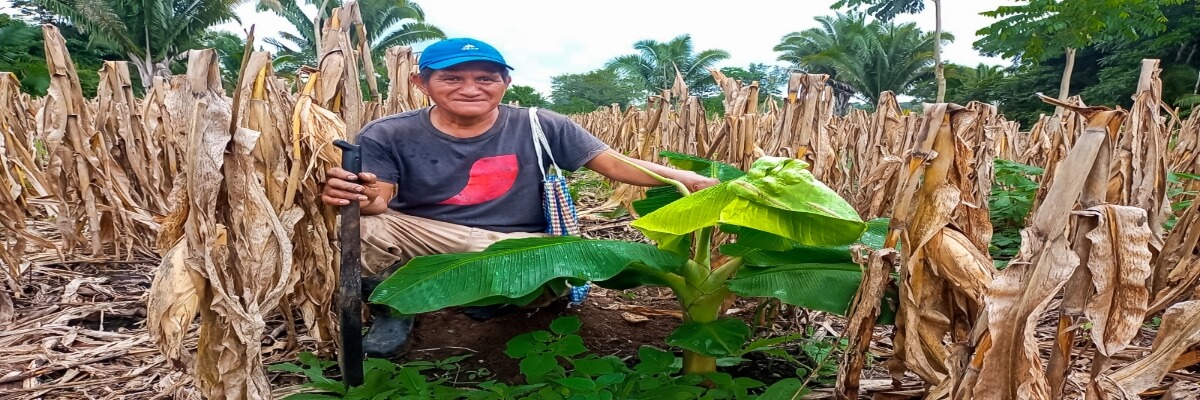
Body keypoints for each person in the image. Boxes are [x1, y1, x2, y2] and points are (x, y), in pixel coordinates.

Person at [319, 37, 719, 358]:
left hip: (519, 243)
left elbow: (614, 164)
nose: (470, 89)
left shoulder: (540, 124)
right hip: (429, 236)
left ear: (506, 82)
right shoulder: (388, 132)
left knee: (552, 275)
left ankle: (499, 298)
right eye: (452, 78)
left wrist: (687, 178)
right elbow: (379, 200)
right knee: (363, 226)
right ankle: (392, 308)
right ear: (421, 83)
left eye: (486, 78)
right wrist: (359, 196)